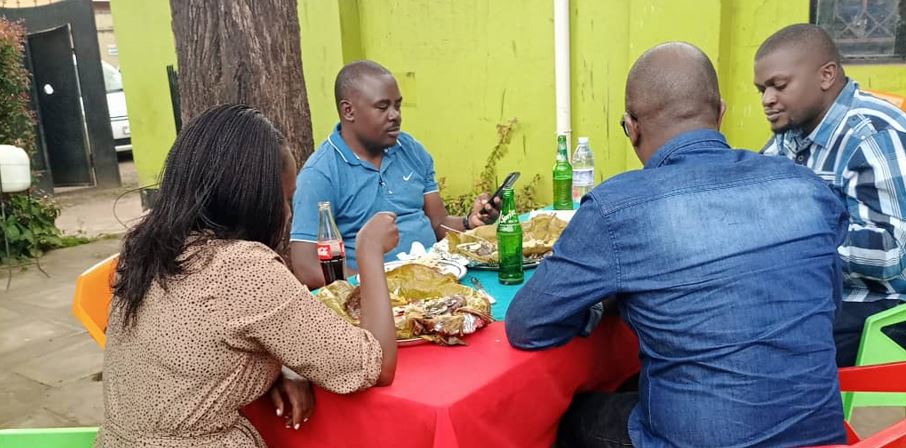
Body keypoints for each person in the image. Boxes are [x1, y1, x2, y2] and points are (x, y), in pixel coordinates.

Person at [505, 42, 847, 447]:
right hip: (821, 439)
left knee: (571, 417)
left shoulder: (618, 209)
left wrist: (597, 309)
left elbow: (527, 325)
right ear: (721, 113)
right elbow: (830, 300)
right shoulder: (808, 188)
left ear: (631, 127)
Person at [97, 105, 400, 447]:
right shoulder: (242, 269)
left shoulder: (148, 245)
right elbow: (375, 365)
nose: (288, 213)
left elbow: (189, 354)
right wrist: (369, 252)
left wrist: (273, 371)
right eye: (285, 199)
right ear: (253, 200)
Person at [755, 23, 906, 366]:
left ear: (826, 76)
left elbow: (891, 254)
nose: (767, 99)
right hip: (817, 294)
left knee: (768, 344)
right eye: (761, 89)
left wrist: (794, 245)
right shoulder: (791, 135)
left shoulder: (871, 136)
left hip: (883, 306)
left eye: (779, 86)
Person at [290, 60, 499, 288]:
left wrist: (470, 222)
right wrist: (378, 287)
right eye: (383, 107)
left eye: (397, 106)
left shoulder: (411, 150)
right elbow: (306, 267)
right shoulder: (320, 174)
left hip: (436, 279)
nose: (395, 115)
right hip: (372, 295)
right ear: (348, 111)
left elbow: (438, 223)